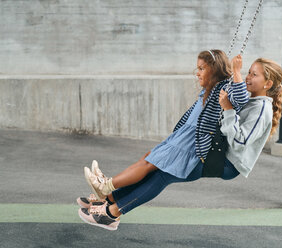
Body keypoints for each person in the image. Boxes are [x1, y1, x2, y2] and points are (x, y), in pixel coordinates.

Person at [78, 50, 251, 230]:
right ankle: (107, 195)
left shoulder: (224, 88)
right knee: (146, 160)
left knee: (152, 170)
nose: (197, 73)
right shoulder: (209, 89)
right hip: (181, 139)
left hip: (189, 146)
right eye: (197, 68)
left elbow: (241, 99)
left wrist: (237, 71)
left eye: (202, 69)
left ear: (215, 70)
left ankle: (106, 190)